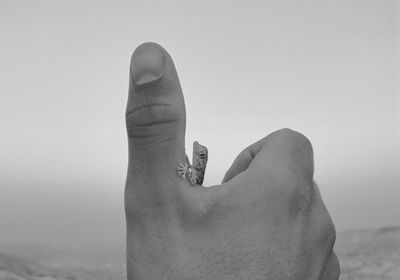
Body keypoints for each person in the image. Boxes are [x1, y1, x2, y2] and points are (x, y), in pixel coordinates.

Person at [124, 42, 340, 279]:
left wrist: (183, 171)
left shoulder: (192, 173)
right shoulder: (192, 173)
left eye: (200, 154)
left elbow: (191, 178)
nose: (197, 152)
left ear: (201, 159)